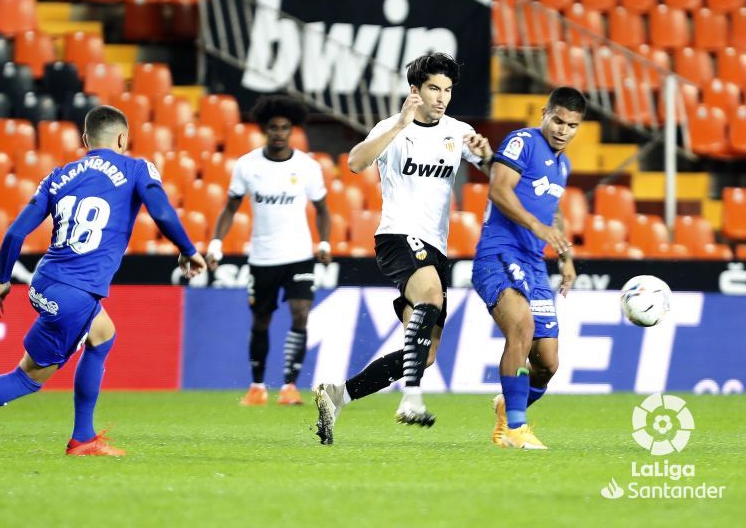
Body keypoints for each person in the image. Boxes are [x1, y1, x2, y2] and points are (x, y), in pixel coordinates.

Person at [0, 106, 207, 456]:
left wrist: (3, 280)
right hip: (75, 294)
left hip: (44, 281)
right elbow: (163, 212)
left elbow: (15, 232)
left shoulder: (59, 175)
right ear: (123, 138)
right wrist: (187, 249)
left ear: (85, 140)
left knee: (103, 334)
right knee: (25, 379)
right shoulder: (137, 168)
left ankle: (84, 436)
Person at [313, 53, 493, 445]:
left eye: (447, 89)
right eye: (434, 88)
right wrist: (398, 124)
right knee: (430, 294)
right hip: (397, 236)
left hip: (435, 246)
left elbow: (495, 172)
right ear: (416, 90)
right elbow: (356, 163)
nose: (442, 97)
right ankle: (411, 399)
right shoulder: (394, 128)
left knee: (425, 355)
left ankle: (337, 395)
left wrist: (487, 154)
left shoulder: (457, 130)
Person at [472, 87, 586, 450]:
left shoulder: (563, 164)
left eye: (571, 125)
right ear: (544, 114)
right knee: (521, 324)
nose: (563, 130)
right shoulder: (523, 141)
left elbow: (552, 210)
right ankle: (516, 429)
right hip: (499, 254)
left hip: (535, 264)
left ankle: (509, 408)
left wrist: (565, 256)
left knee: (548, 364)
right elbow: (499, 190)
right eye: (557, 120)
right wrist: (537, 229)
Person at [206, 94, 331, 407]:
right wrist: (216, 243)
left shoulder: (307, 167)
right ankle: (257, 386)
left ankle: (289, 386)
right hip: (262, 258)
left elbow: (323, 209)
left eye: (284, 128)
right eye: (273, 127)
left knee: (300, 314)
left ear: (292, 130)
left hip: (300, 255)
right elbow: (230, 207)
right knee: (261, 320)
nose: (278, 133)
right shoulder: (247, 166)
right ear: (264, 129)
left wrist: (325, 242)